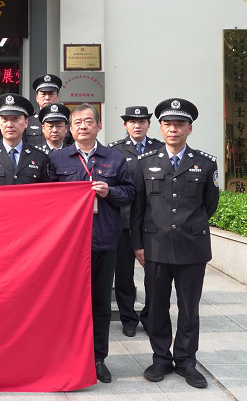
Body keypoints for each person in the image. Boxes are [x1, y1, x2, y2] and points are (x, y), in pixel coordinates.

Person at [131, 98, 219, 389]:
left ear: (189, 129)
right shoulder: (145, 163)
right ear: (160, 128)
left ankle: (186, 361)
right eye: (168, 124)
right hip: (155, 246)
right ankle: (161, 358)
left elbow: (210, 204)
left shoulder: (205, 163)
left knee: (189, 308)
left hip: (192, 247)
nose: (173, 129)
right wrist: (138, 243)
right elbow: (138, 208)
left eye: (179, 124)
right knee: (157, 306)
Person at [47, 103, 135, 384]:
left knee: (99, 303)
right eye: (77, 122)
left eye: (88, 121)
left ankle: (98, 358)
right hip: (68, 245)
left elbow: (130, 193)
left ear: (99, 126)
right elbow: (48, 199)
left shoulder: (115, 158)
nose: (83, 126)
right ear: (70, 129)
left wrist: (110, 192)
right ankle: (65, 357)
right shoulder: (58, 159)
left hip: (102, 241)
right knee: (66, 303)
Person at [108, 105, 163, 338]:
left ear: (149, 124)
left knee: (155, 274)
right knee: (123, 275)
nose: (137, 125)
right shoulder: (114, 151)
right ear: (125, 125)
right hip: (122, 222)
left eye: (142, 121)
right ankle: (128, 317)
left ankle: (150, 316)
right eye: (132, 122)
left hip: (151, 222)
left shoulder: (160, 149)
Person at [0, 94, 49, 186]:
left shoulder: (40, 156)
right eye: (5, 119)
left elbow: (46, 191)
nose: (9, 125)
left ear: (26, 122)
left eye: (15, 119)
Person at [25, 73, 64, 146]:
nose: (47, 98)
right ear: (37, 97)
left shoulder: (66, 120)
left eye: (51, 94)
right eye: (43, 94)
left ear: (57, 97)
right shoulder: (28, 121)